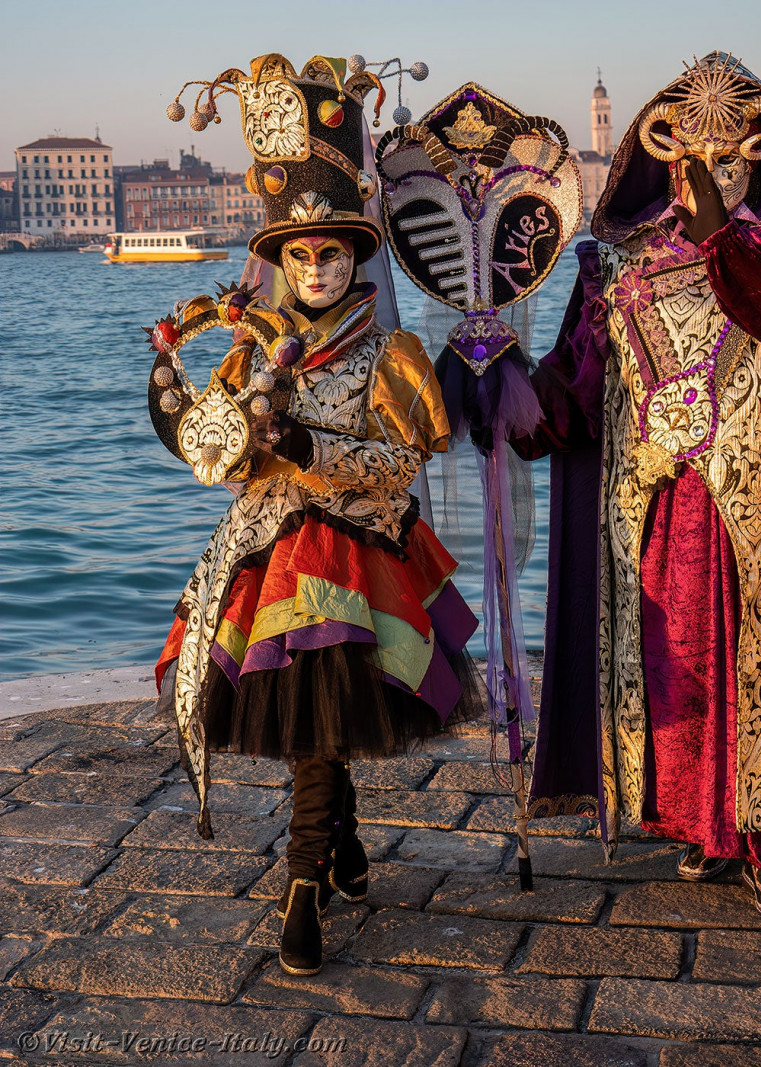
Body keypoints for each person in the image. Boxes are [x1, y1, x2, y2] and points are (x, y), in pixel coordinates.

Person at [151, 52, 482, 975]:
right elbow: (221, 460)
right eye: (299, 254)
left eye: (331, 251)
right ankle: (339, 838)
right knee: (315, 729)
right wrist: (188, 412)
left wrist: (309, 450)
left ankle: (302, 886)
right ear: (280, 263)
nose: (317, 267)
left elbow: (399, 465)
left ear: (355, 256)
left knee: (324, 726)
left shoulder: (392, 355)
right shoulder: (250, 350)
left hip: (359, 557)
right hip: (268, 555)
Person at [512, 53, 761, 919]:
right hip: (660, 508)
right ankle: (699, 824)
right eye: (692, 159)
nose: (708, 174)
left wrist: (724, 242)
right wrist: (504, 388)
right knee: (676, 667)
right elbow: (579, 383)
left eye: (727, 158)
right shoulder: (618, 262)